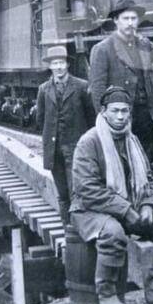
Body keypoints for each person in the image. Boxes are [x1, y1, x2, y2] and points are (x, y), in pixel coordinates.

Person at [71, 86, 153, 304]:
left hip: (131, 208)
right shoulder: (89, 142)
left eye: (125, 111)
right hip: (89, 210)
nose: (120, 117)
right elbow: (87, 190)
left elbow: (148, 179)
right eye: (115, 111)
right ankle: (106, 295)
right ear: (104, 111)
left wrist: (148, 205)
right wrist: (126, 210)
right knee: (113, 233)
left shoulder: (132, 140)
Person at [89, 0, 153, 170]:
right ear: (115, 21)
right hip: (121, 117)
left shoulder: (144, 43)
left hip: (147, 115)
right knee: (123, 164)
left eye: (133, 19)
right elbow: (97, 90)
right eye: (125, 19)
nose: (130, 23)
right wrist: (106, 121)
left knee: (145, 162)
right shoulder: (102, 49)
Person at [35, 46, 94, 224]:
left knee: (77, 192)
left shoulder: (82, 86)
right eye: (55, 63)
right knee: (62, 194)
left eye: (62, 62)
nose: (59, 67)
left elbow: (91, 118)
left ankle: (80, 232)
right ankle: (67, 230)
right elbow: (41, 119)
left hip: (77, 149)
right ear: (50, 67)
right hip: (54, 151)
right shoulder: (43, 90)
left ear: (67, 64)